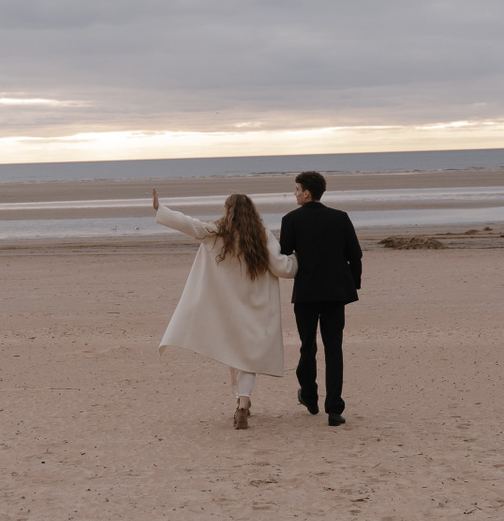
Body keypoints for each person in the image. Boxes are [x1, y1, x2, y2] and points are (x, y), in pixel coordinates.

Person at [152, 188, 298, 429]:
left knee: (236, 355)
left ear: (228, 211)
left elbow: (191, 225)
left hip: (229, 308)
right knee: (248, 359)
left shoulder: (218, 232)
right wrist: (297, 260)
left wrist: (162, 210)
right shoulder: (262, 235)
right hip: (255, 306)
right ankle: (243, 403)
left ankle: (241, 403)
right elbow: (281, 267)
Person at [280, 170, 362, 426]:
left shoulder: (290, 220)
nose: (294, 194)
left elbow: (285, 255)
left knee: (308, 346)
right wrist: (353, 285)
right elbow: (355, 255)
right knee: (333, 349)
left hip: (306, 293)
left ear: (307, 193)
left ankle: (309, 395)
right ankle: (334, 409)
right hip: (336, 293)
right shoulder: (340, 217)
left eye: (296, 189)